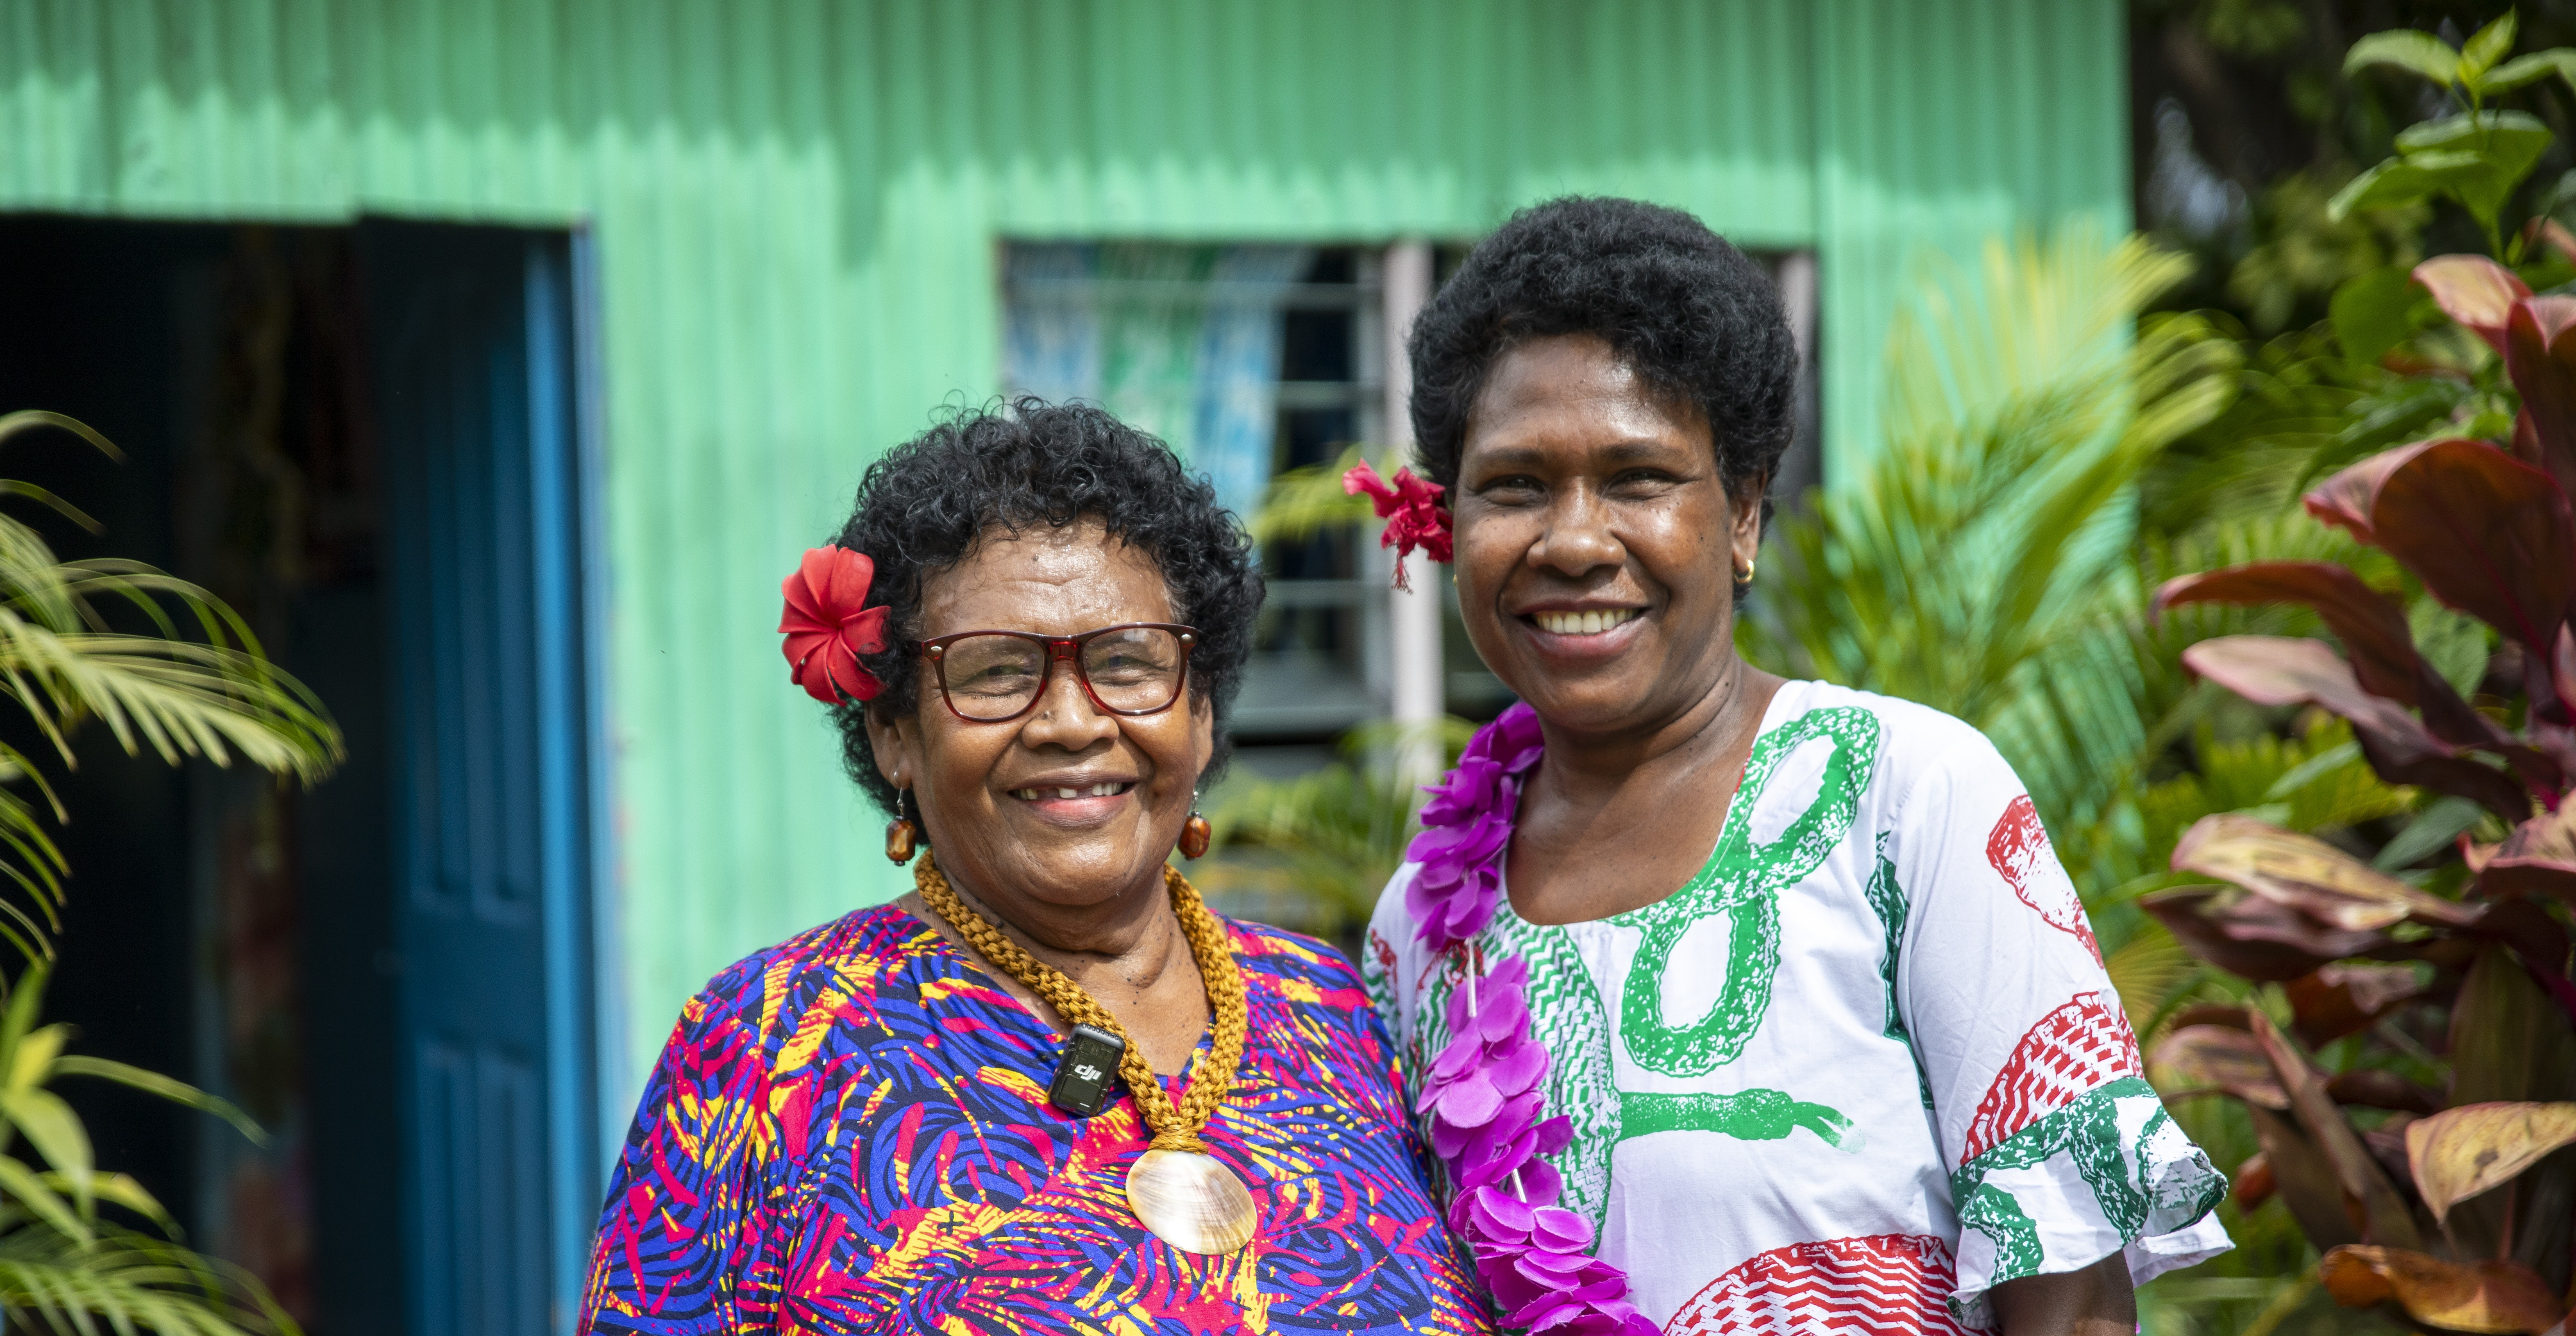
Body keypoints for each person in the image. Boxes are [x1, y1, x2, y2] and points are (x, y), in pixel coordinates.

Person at [1358, 199, 2229, 1336]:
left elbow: (2067, 1299)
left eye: (1637, 477)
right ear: (1449, 522)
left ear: (1745, 515)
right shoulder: (1422, 931)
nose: (1572, 540)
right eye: (1515, 484)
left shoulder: (1905, 797)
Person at [574, 402, 1491, 1334]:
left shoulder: (1336, 1010)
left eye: (1128, 662)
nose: (1071, 722)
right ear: (895, 733)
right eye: (996, 671)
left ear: (1203, 714)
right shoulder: (769, 1046)